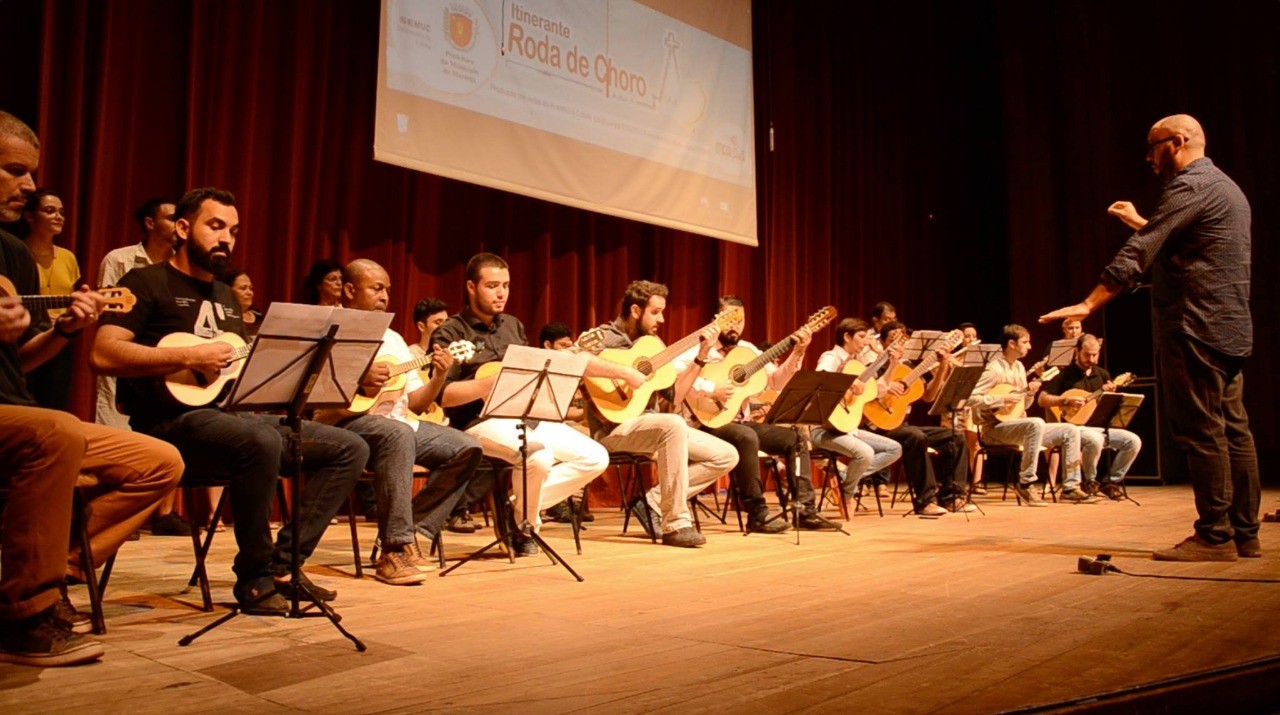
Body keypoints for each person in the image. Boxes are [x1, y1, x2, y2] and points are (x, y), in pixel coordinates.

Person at [93, 187, 368, 612]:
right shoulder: (145, 282)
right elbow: (103, 353)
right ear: (183, 228)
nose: (226, 239)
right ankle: (254, 580)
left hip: (228, 422)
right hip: (168, 428)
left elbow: (234, 373)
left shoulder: (224, 296)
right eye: (215, 226)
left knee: (350, 447)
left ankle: (283, 566)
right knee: (260, 441)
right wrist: (188, 355)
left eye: (234, 231)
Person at [1, 110, 183, 666]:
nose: (30, 187)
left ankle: (47, 577)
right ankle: (23, 617)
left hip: (14, 412)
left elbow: (23, 360)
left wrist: (66, 329)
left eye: (31, 173)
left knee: (162, 461)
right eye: (14, 171)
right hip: (30, 427)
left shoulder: (10, 254)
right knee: (55, 431)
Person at [1041, 113, 1259, 561]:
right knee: (1235, 431)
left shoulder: (1190, 185)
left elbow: (1141, 254)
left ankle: (1215, 536)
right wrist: (1144, 221)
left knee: (1202, 432)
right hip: (1230, 326)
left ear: (1176, 142)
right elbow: (1182, 243)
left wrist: (1089, 304)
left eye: (1153, 145)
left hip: (1194, 325)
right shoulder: (1227, 188)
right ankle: (1245, 533)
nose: (1149, 156)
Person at [430, 253, 640, 554]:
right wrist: (489, 384)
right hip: (477, 423)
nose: (501, 293)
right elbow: (444, 396)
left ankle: (515, 505)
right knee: (537, 458)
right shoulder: (451, 332)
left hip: (526, 417)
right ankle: (525, 528)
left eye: (506, 285)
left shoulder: (512, 325)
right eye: (492, 285)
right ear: (471, 287)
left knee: (595, 456)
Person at [316, 259, 484, 583]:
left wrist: (439, 376)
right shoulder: (328, 329)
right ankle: (394, 550)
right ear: (350, 290)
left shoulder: (392, 338)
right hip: (348, 422)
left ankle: (414, 530)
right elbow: (312, 390)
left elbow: (418, 404)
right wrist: (357, 380)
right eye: (377, 288)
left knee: (467, 447)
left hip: (401, 423)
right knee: (397, 435)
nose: (385, 296)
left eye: (388, 290)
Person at [587, 280, 738, 546]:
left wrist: (701, 356)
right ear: (635, 311)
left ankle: (652, 502)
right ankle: (676, 524)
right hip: (613, 427)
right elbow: (577, 360)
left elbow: (676, 395)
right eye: (655, 312)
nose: (662, 319)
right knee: (673, 424)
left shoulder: (653, 345)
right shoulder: (605, 337)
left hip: (653, 426)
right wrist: (623, 372)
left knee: (726, 456)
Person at [674, 295, 814, 531]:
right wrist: (711, 389)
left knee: (795, 438)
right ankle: (757, 513)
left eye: (740, 320)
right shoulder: (696, 346)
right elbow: (675, 375)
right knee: (746, 437)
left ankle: (804, 509)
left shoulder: (747, 350)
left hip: (740, 421)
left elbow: (776, 382)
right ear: (715, 320)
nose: (735, 325)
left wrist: (797, 352)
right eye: (730, 319)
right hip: (704, 422)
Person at [969, 324, 1089, 506]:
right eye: (1025, 342)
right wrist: (1001, 399)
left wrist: (1030, 394)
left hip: (1016, 426)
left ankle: (1070, 487)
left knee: (1070, 430)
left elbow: (1021, 405)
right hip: (993, 430)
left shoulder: (1019, 367)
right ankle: (1026, 482)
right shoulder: (994, 369)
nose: (1030, 346)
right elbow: (971, 398)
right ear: (1011, 344)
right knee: (1036, 423)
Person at [95, 197, 177, 429]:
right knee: (115, 428)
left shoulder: (180, 265)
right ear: (150, 223)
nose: (178, 224)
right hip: (125, 355)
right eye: (171, 218)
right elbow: (106, 312)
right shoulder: (119, 259)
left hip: (167, 359)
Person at [1037, 334, 1142, 500]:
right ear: (1076, 351)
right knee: (1094, 440)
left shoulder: (1102, 374)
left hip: (1098, 426)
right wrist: (1065, 400)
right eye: (1087, 355)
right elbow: (1042, 399)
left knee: (1133, 441)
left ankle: (1111, 482)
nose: (1091, 359)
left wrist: (1108, 395)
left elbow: (1104, 407)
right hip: (1073, 429)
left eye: (1095, 354)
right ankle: (1090, 481)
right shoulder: (1065, 375)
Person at [810, 318, 903, 505]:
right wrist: (849, 382)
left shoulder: (856, 365)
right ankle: (847, 494)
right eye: (861, 337)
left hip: (847, 428)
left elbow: (880, 389)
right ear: (846, 336)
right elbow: (819, 380)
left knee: (894, 448)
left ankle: (845, 475)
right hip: (823, 429)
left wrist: (892, 362)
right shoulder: (831, 357)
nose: (865, 342)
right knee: (866, 453)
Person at [17, 188, 78, 410]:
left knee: (56, 406)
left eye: (61, 212)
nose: (58, 217)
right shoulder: (16, 252)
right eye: (50, 211)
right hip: (24, 339)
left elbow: (70, 296)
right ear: (30, 216)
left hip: (59, 339)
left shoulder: (67, 257)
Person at [223, 269, 263, 337]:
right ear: (228, 291)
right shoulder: (223, 317)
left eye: (250, 288)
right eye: (243, 288)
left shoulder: (259, 316)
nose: (249, 293)